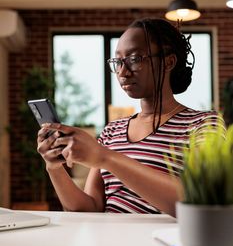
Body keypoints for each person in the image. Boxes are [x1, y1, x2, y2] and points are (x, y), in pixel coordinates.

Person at [37, 18, 222, 217]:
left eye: (134, 59)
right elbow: (89, 209)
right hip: (108, 244)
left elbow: (202, 203)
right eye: (118, 61)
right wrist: (54, 168)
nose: (122, 72)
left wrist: (105, 157)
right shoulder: (113, 130)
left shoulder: (203, 125)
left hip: (160, 245)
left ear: (169, 62)